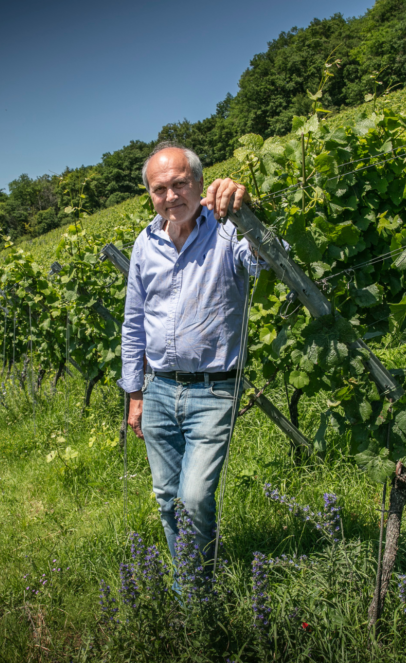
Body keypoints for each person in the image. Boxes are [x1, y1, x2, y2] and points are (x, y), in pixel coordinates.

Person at [118, 141, 260, 568]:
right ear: (150, 195)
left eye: (180, 184)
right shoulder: (145, 244)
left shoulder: (227, 228)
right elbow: (133, 322)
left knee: (194, 497)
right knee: (167, 498)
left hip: (212, 391)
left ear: (199, 183)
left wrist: (246, 213)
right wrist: (135, 392)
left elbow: (265, 262)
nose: (170, 196)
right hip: (158, 389)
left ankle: (197, 590)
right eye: (159, 189)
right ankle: (192, 591)